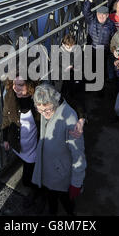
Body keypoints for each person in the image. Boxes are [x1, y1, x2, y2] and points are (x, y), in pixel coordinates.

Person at [32, 84, 86, 216]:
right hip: (50, 171)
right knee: (51, 198)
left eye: (48, 110)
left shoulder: (70, 119)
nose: (44, 114)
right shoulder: (47, 109)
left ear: (55, 102)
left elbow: (78, 155)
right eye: (40, 111)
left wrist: (76, 183)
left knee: (65, 200)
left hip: (61, 175)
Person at [83, 0, 116, 82]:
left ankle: (100, 85)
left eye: (103, 14)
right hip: (91, 49)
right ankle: (89, 82)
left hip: (103, 51)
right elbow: (86, 11)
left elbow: (113, 39)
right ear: (96, 14)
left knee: (101, 70)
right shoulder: (92, 20)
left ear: (107, 15)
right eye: (99, 14)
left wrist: (111, 50)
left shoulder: (111, 25)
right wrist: (89, 0)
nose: (101, 16)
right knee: (90, 67)